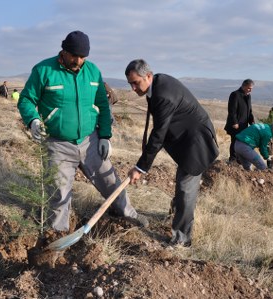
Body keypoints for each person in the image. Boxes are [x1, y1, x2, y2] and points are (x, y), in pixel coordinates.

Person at [17, 30, 148, 233]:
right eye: (74, 56)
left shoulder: (93, 72)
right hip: (57, 143)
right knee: (59, 193)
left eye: (83, 57)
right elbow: (26, 99)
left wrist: (105, 136)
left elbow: (103, 106)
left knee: (110, 180)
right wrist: (32, 120)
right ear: (64, 51)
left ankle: (128, 214)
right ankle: (58, 235)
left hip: (90, 141)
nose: (78, 61)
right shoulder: (44, 70)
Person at [125, 59, 219, 247]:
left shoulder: (163, 94)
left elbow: (158, 134)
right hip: (185, 141)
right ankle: (176, 217)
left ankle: (182, 239)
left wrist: (140, 167)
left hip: (196, 144)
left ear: (148, 76)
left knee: (185, 189)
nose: (133, 88)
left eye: (136, 83)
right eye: (130, 84)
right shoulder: (157, 84)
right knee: (182, 184)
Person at [224, 79, 255, 163]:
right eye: (249, 88)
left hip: (244, 125)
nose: (250, 90)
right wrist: (235, 122)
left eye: (252, 88)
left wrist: (252, 122)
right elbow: (232, 110)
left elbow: (249, 111)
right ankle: (232, 159)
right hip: (235, 125)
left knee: (241, 143)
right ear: (244, 86)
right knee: (235, 141)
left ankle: (239, 160)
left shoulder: (248, 96)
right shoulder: (235, 94)